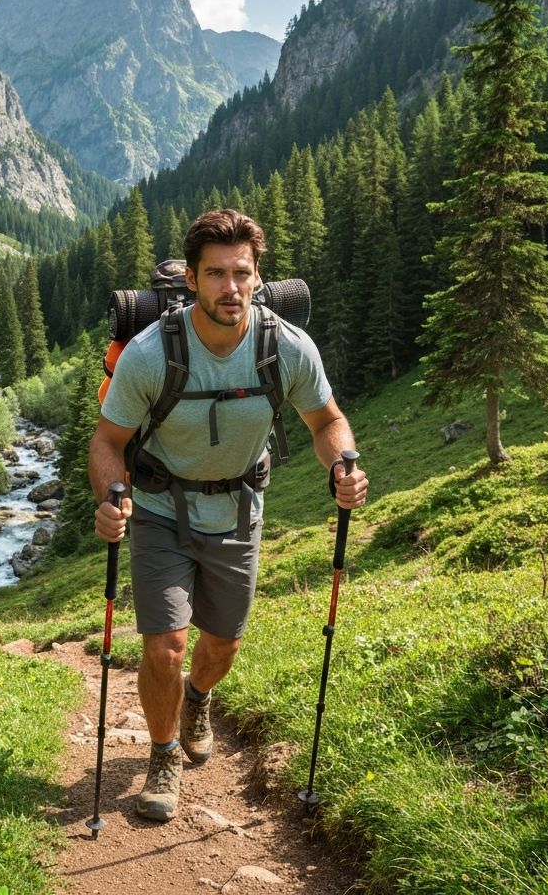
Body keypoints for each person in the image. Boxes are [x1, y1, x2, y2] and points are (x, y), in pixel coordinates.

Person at [87, 208, 368, 822]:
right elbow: (107, 442)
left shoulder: (284, 348)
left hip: (239, 511)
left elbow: (326, 421)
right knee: (165, 644)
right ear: (192, 279)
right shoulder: (149, 354)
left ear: (258, 276)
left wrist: (342, 464)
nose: (231, 288)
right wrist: (112, 500)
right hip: (160, 509)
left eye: (242, 273)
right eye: (215, 274)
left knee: (220, 645)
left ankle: (198, 699)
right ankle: (162, 755)